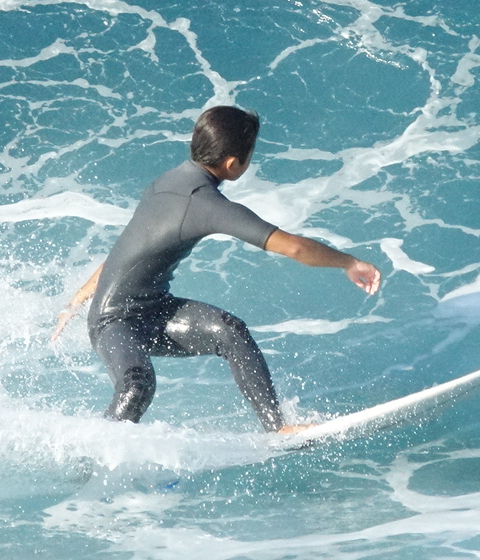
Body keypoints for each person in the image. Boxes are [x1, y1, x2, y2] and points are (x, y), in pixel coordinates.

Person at [53, 106, 382, 434]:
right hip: (114, 322)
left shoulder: (166, 181)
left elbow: (128, 248)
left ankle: (278, 428)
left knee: (231, 331)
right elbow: (294, 247)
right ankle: (97, 452)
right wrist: (349, 262)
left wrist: (77, 300)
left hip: (150, 310)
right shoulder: (206, 204)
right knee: (136, 384)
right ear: (233, 163)